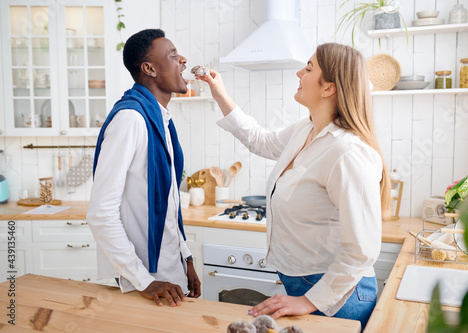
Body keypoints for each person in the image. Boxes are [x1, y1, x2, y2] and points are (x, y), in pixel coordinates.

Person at [197, 43, 391, 330]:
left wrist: (309, 300)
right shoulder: (307, 129)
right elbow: (261, 140)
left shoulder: (348, 153)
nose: (299, 72)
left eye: (309, 68)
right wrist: (220, 93)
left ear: (329, 89)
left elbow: (362, 250)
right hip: (302, 283)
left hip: (339, 294)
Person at [87, 29, 201, 307]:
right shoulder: (131, 119)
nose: (183, 60)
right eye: (173, 55)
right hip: (147, 283)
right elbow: (100, 213)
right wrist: (144, 281)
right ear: (149, 68)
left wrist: (184, 255)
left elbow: (168, 202)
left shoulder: (159, 119)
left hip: (168, 273)